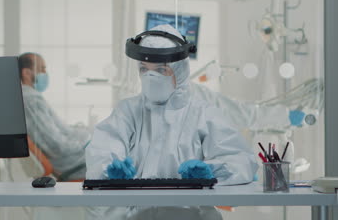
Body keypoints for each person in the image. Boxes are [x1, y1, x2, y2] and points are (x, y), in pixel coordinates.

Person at [85, 24, 258, 220]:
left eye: (161, 69)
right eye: (144, 69)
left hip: (193, 216)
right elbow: (103, 148)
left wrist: (211, 171)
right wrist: (109, 169)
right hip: (136, 216)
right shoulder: (128, 111)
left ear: (180, 71)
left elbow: (239, 159)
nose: (151, 77)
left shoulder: (203, 113)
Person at [18, 52, 90, 181]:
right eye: (42, 69)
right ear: (27, 73)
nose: (45, 73)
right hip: (74, 165)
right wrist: (86, 142)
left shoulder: (29, 98)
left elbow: (55, 133)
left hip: (75, 158)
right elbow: (56, 144)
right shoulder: (31, 101)